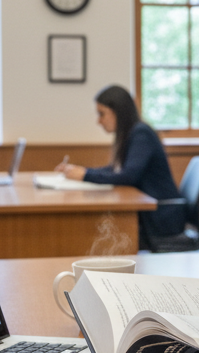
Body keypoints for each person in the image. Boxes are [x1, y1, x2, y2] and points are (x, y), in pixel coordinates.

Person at [55, 85, 186, 249]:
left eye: (102, 114)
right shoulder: (132, 133)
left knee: (97, 235)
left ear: (118, 112)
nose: (99, 121)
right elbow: (115, 169)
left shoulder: (141, 134)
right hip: (153, 215)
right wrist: (82, 171)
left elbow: (128, 176)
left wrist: (85, 175)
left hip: (161, 219)